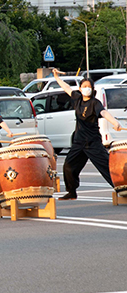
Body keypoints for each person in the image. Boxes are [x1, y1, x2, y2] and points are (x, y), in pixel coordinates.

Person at [52, 69, 124, 200]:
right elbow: (66, 88)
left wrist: (114, 122)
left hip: (93, 142)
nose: (86, 89)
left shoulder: (95, 103)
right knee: (68, 166)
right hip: (79, 142)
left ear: (92, 89)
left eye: (89, 87)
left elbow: (103, 113)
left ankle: (123, 188)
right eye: (84, 86)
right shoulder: (77, 99)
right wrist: (56, 77)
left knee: (107, 167)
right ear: (80, 88)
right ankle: (71, 192)